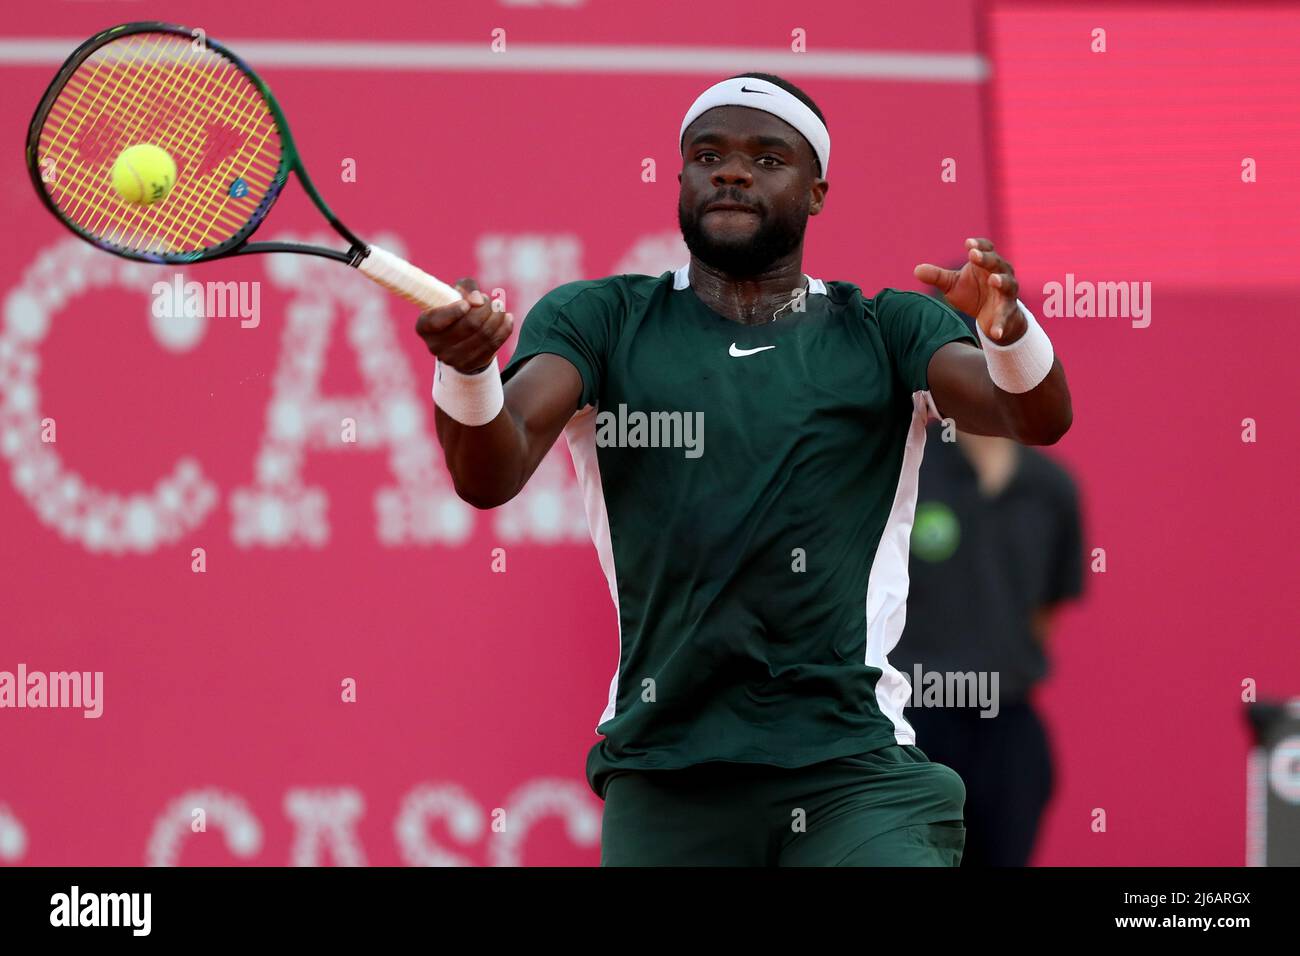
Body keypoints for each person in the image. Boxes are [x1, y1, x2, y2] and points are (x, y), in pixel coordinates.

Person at [412, 72, 1073, 866]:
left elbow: (1037, 417)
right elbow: (491, 470)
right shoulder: (601, 318)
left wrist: (1008, 332)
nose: (731, 172)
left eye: (767, 158)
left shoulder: (889, 329)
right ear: (681, 178)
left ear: (817, 191)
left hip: (853, 773)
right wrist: (468, 374)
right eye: (708, 155)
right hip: (667, 775)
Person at [894, 302, 1085, 864]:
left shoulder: (1051, 488)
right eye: (966, 343)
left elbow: (1045, 613)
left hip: (1008, 728)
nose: (985, 360)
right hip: (911, 725)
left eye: (1001, 343)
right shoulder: (904, 472)